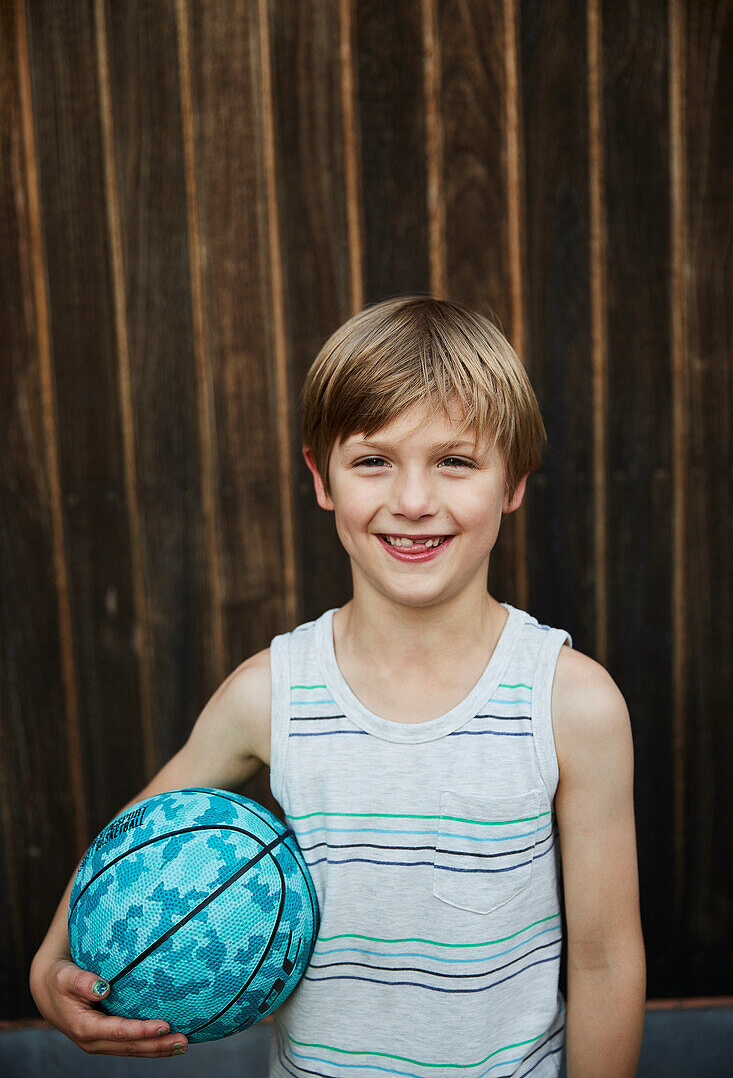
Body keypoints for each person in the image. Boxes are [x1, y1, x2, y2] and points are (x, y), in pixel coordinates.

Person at [30, 295, 646, 1075]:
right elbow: (137, 835)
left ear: (513, 481)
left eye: (454, 461)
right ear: (322, 478)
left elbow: (602, 961)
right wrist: (50, 965)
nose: (413, 501)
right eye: (373, 460)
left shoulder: (569, 703)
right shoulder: (272, 691)